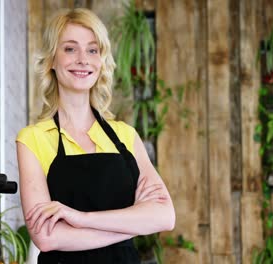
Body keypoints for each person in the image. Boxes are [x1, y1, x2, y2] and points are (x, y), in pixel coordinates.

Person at [16, 8, 175, 264]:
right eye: (70, 49)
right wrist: (133, 223)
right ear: (51, 60)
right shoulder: (32, 139)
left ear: (102, 61)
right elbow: (46, 237)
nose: (83, 59)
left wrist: (81, 219)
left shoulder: (125, 135)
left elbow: (165, 216)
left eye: (92, 50)